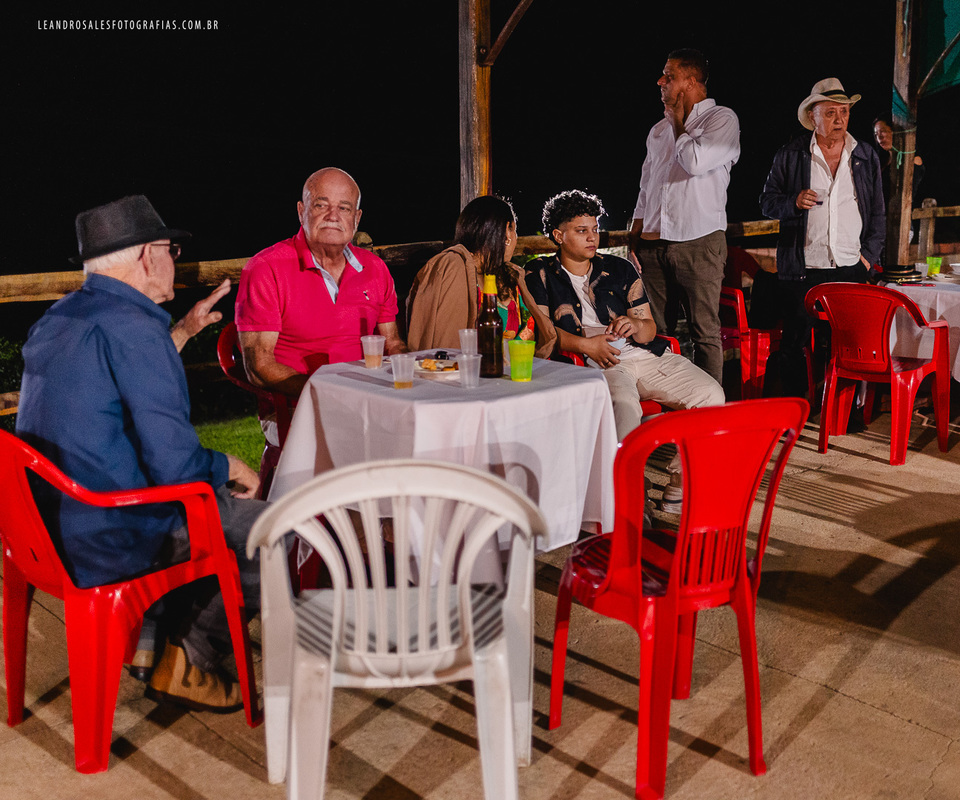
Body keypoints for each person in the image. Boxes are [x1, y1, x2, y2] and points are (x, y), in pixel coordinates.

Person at [16, 195, 266, 713]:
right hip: (110, 536)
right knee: (276, 531)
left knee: (209, 511)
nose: (176, 258)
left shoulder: (61, 318)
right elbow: (178, 467)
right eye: (171, 249)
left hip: (42, 531)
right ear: (147, 256)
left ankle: (148, 642)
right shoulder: (135, 328)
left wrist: (184, 330)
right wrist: (230, 465)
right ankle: (193, 658)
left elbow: (110, 380)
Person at [524, 190, 724, 512]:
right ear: (558, 236)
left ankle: (678, 485)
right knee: (624, 410)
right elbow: (543, 333)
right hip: (598, 361)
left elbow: (649, 327)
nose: (593, 237)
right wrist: (585, 344)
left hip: (645, 354)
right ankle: (631, 497)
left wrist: (632, 323)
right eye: (582, 230)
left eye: (595, 228)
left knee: (711, 397)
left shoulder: (619, 269)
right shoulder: (540, 274)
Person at [759, 77, 885, 400]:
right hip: (804, 268)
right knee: (794, 343)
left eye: (844, 112)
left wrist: (867, 258)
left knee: (849, 344)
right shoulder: (792, 154)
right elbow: (767, 202)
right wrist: (792, 202)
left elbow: (879, 214)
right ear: (813, 116)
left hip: (850, 266)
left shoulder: (865, 155)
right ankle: (795, 410)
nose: (839, 119)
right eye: (830, 113)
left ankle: (844, 413)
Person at [235, 167, 405, 399]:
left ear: (356, 219)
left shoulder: (375, 268)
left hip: (370, 397)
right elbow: (259, 367)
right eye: (321, 205)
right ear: (301, 211)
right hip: (297, 406)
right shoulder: (266, 268)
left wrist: (413, 369)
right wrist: (329, 396)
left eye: (344, 208)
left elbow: (393, 343)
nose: (333, 216)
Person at [630, 48, 740, 385]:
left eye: (670, 75)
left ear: (691, 82)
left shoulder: (721, 119)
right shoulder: (658, 131)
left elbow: (693, 162)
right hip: (652, 245)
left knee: (703, 330)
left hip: (698, 240)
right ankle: (666, 407)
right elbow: (647, 187)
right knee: (654, 330)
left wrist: (678, 121)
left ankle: (706, 415)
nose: (660, 81)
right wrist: (633, 236)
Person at [406, 195, 555, 357]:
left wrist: (509, 352)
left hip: (514, 368)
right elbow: (445, 342)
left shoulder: (511, 276)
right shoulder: (453, 266)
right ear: (507, 232)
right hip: (464, 372)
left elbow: (530, 328)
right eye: (515, 229)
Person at [872, 116, 924, 200]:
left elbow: (907, 196)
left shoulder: (913, 160)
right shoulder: (880, 162)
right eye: (876, 134)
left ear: (896, 131)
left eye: (883, 131)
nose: (879, 137)